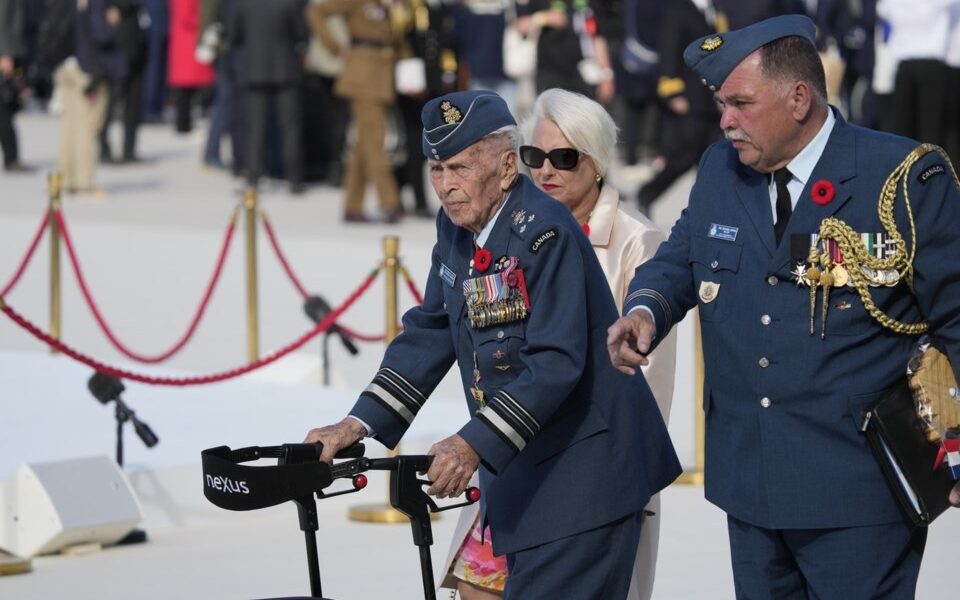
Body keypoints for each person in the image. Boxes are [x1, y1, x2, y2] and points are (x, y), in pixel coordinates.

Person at [607, 15, 960, 598]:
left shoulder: (901, 176)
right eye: (722, 104)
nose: (725, 122)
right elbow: (681, 258)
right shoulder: (723, 168)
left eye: (741, 103)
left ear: (799, 98)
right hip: (749, 484)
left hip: (858, 490)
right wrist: (645, 308)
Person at [304, 89, 680, 599]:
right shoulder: (460, 226)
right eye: (436, 169)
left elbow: (555, 363)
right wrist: (359, 423)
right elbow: (432, 327)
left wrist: (470, 444)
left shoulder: (546, 233)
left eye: (459, 168)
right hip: (527, 470)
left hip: (585, 478)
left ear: (506, 167)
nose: (445, 187)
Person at [437, 88, 678, 600]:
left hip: (588, 465)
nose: (546, 171)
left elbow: (647, 374)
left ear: (597, 163)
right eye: (534, 157)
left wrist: (634, 489)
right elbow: (448, 322)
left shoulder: (635, 238)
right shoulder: (501, 225)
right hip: (514, 450)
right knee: (475, 588)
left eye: (564, 158)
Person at [305, 0, 404, 222]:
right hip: (362, 75)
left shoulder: (391, 5)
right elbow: (316, 12)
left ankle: (353, 205)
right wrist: (334, 46)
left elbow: (395, 38)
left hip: (382, 76)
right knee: (376, 139)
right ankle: (389, 201)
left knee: (365, 143)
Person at [230, 0, 307, 194]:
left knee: (256, 126)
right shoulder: (290, 3)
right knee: (290, 126)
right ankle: (294, 178)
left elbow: (234, 34)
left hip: (255, 68)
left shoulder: (244, 4)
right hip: (285, 67)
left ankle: (254, 176)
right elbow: (301, 33)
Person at [0, 0, 31, 172]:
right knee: (3, 108)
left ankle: (12, 158)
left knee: (10, 104)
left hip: (15, 53)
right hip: (8, 55)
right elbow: (3, 19)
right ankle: (11, 159)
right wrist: (5, 54)